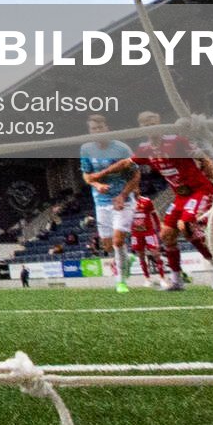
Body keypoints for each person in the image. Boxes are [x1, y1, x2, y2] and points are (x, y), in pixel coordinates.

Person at [132, 111, 213, 292]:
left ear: (160, 123)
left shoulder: (176, 141)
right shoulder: (145, 149)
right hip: (180, 196)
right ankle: (176, 280)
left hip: (198, 190)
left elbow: (203, 159)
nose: (149, 127)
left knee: (186, 226)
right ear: (140, 128)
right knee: (167, 235)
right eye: (144, 124)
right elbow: (129, 163)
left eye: (152, 123)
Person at [78, 113, 138, 293]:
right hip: (101, 202)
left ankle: (121, 282)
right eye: (93, 129)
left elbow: (136, 175)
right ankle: (127, 259)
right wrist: (97, 184)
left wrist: (123, 194)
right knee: (107, 245)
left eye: (99, 128)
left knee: (118, 241)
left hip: (123, 200)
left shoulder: (121, 149)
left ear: (107, 128)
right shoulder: (86, 149)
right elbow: (87, 175)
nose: (97, 131)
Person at [126, 192, 163, 285]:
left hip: (149, 232)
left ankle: (162, 278)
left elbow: (154, 214)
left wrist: (159, 228)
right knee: (141, 256)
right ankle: (147, 278)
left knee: (156, 253)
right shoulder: (127, 202)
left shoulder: (146, 201)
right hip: (136, 234)